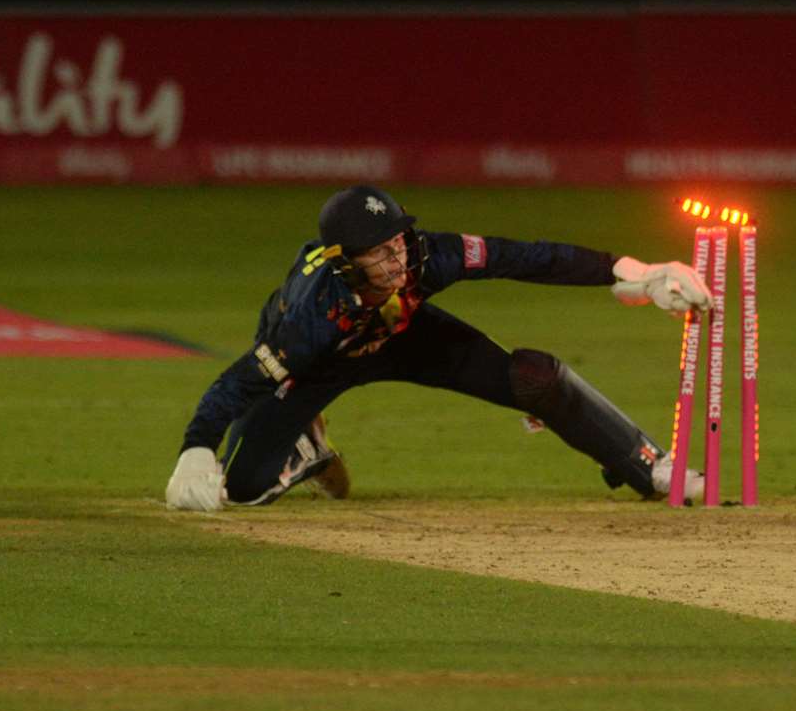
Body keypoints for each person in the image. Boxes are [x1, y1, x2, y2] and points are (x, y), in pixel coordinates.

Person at [165, 185, 711, 511]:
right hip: (320, 366)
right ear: (344, 262)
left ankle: (650, 465)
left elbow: (525, 257)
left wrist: (637, 274)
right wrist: (195, 448)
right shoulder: (310, 316)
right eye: (378, 253)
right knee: (239, 489)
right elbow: (238, 383)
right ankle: (305, 447)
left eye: (397, 241)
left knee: (534, 378)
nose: (397, 259)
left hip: (409, 338)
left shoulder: (427, 255)